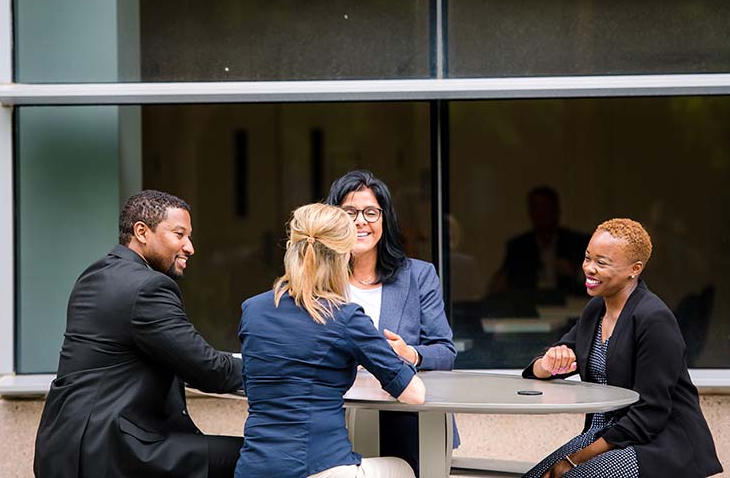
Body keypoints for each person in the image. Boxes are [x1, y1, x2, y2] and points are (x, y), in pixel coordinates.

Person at [34, 190, 244, 478]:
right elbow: (208, 369)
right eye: (179, 235)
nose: (189, 247)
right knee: (260, 457)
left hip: (65, 448)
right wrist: (280, 367)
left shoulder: (95, 274)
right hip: (114, 450)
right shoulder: (148, 287)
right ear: (142, 232)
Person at [521, 218, 722, 478]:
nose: (589, 268)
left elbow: (650, 413)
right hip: (606, 434)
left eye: (602, 263)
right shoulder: (596, 309)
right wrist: (547, 364)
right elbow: (546, 365)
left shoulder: (654, 319)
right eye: (587, 258)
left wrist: (574, 461)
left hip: (656, 444)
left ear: (634, 269)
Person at [237, 203, 424, 478]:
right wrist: (395, 354)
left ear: (292, 247)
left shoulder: (252, 310)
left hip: (253, 469)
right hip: (321, 466)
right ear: (344, 256)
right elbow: (415, 395)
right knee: (404, 469)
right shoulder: (345, 317)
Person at [325, 170, 457, 473]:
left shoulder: (418, 275)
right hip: (333, 414)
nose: (361, 221)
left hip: (404, 416)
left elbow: (445, 352)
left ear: (385, 219)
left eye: (371, 212)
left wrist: (410, 354)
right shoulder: (320, 280)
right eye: (349, 212)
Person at [487, 186, 589, 314]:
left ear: (557, 211)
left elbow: (598, 281)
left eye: (546, 208)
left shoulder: (576, 242)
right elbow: (503, 281)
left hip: (571, 308)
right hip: (530, 309)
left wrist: (576, 272)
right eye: (536, 208)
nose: (541, 214)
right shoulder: (519, 246)